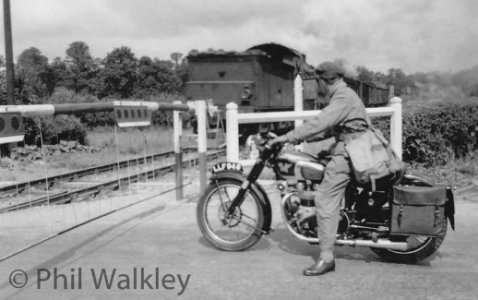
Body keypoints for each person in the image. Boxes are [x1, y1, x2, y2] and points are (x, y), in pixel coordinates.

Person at [268, 61, 370, 276]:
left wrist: (287, 137)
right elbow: (328, 129)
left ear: (326, 81)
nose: (318, 88)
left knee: (323, 198)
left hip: (349, 153)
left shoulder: (342, 97)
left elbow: (320, 122)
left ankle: (326, 257)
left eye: (318, 83)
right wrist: (299, 140)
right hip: (353, 147)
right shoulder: (346, 94)